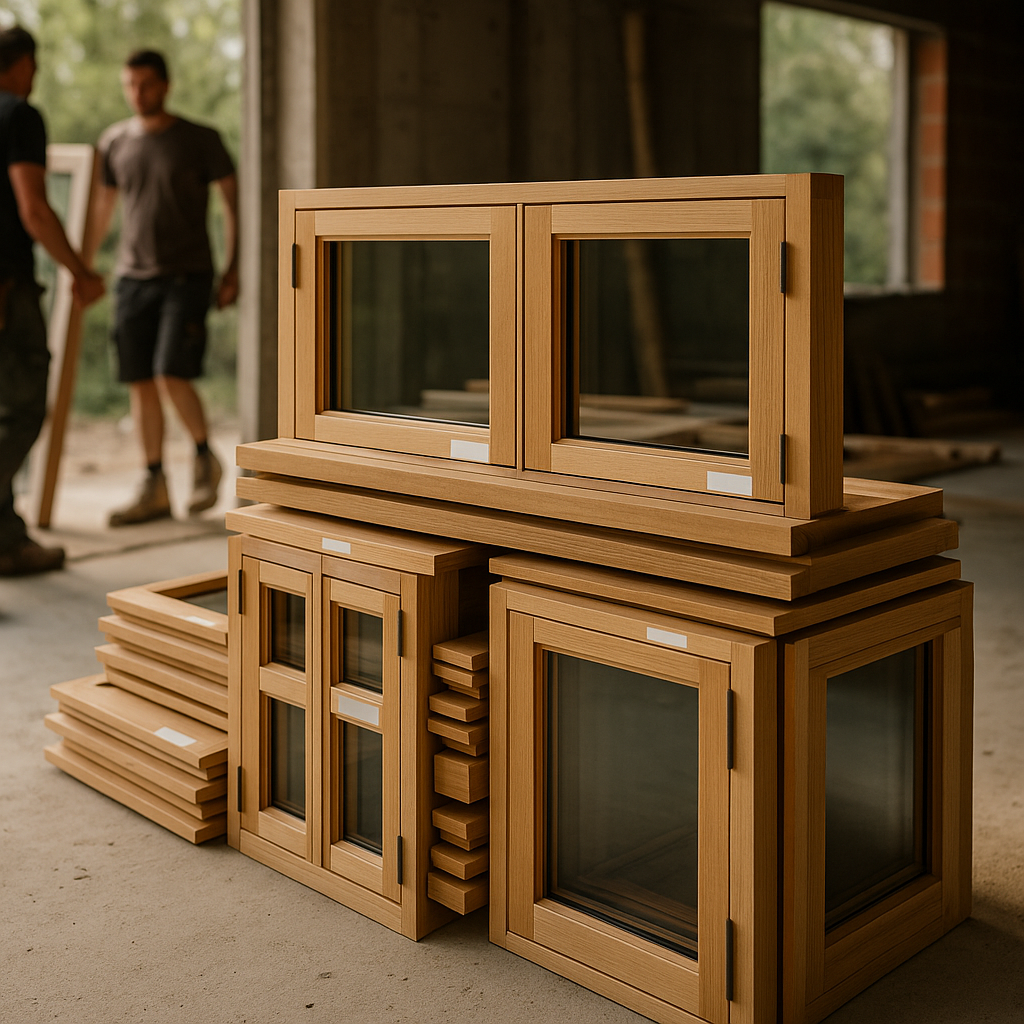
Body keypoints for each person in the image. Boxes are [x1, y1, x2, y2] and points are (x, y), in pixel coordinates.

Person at [85, 48, 237, 526]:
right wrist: (81, 267)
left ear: (166, 85)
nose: (137, 94)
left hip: (186, 274)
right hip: (133, 277)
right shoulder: (114, 141)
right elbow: (102, 208)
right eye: (129, 85)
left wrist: (233, 269)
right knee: (139, 379)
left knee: (172, 372)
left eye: (146, 84)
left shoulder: (200, 139)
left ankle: (202, 459)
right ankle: (153, 483)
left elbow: (234, 204)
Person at [0, 25, 105, 576]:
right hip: (6, 290)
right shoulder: (18, 114)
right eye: (33, 68)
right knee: (19, 411)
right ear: (21, 65)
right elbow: (34, 209)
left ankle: (8, 540)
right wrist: (81, 271)